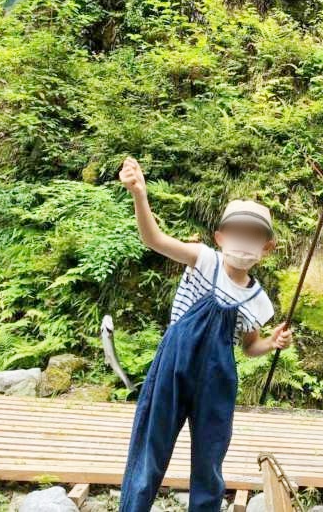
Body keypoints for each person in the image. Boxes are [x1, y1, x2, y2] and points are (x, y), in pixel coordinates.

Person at [118, 157, 292, 511]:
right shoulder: (203, 259)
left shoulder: (260, 301)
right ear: (220, 237)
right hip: (173, 367)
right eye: (237, 232)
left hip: (217, 381)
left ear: (266, 248)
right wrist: (139, 194)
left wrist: (271, 342)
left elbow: (248, 347)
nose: (244, 240)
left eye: (254, 235)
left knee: (210, 459)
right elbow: (153, 239)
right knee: (151, 447)